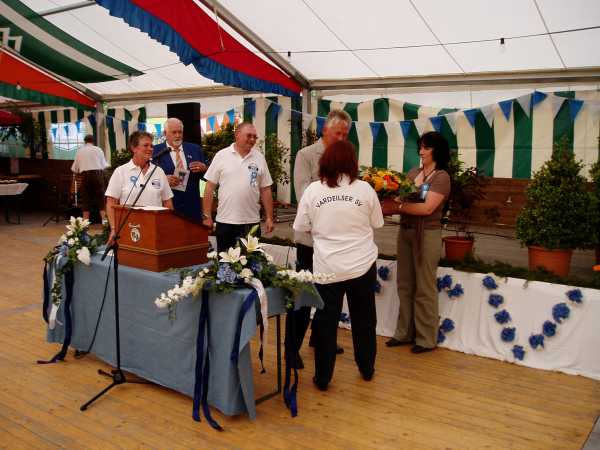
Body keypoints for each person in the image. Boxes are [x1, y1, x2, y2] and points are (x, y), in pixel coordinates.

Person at [293, 140, 384, 391]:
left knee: (325, 322)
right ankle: (367, 368)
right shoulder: (365, 189)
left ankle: (323, 378)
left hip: (327, 268)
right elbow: (378, 223)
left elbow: (300, 226)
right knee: (364, 319)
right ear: (353, 162)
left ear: (325, 162)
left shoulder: (313, 190)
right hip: (362, 265)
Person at [289, 110, 352, 368]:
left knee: (330, 295)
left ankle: (321, 338)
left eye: (345, 135)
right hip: (310, 240)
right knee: (304, 296)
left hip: (336, 241)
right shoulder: (305, 155)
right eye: (338, 133)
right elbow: (303, 194)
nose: (342, 139)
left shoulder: (347, 159)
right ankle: (291, 349)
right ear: (325, 130)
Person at [386, 131, 451, 354]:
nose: (421, 151)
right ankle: (403, 332)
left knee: (424, 286)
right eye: (421, 147)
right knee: (404, 283)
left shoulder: (441, 177)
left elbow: (427, 208)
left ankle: (425, 338)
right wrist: (388, 199)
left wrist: (397, 207)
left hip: (427, 235)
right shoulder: (413, 173)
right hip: (405, 232)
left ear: (437, 151)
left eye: (426, 148)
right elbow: (399, 197)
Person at [202, 122, 274, 252]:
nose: (252, 139)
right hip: (225, 221)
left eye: (255, 137)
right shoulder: (221, 156)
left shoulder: (259, 158)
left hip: (251, 222)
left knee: (252, 261)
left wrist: (269, 217)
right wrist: (207, 216)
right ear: (237, 135)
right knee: (225, 262)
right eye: (249, 136)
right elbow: (209, 187)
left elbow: (265, 189)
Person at [105, 131, 174, 243]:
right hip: (129, 229)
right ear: (134, 148)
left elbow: (168, 203)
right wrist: (114, 228)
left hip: (155, 230)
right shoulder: (121, 171)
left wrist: (167, 226)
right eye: (146, 145)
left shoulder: (158, 171)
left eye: (151, 146)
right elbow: (111, 202)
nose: (150, 149)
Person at [152, 117, 208, 221]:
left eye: (180, 132)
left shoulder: (195, 149)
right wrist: (164, 180)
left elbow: (207, 177)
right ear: (165, 133)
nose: (178, 135)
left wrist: (204, 168)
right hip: (168, 206)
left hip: (192, 207)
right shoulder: (155, 151)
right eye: (174, 132)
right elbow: (148, 180)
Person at [70, 134, 109, 222]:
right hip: (98, 175)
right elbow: (104, 165)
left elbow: (74, 169)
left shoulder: (80, 151)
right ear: (93, 141)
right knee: (101, 199)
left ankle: (85, 224)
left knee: (86, 199)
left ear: (85, 141)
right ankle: (105, 223)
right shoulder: (98, 149)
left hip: (85, 176)